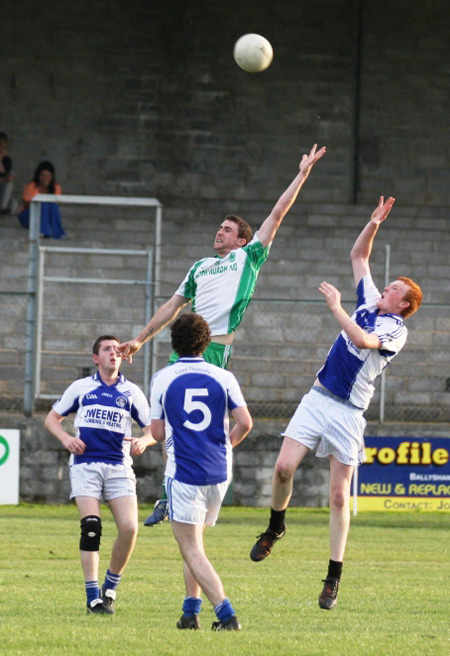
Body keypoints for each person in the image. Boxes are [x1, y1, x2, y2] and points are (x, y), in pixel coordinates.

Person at [119, 143, 327, 525]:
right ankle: (170, 492)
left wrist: (302, 174)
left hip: (214, 350)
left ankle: (193, 479)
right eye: (219, 227)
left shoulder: (248, 257)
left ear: (242, 240)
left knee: (199, 426)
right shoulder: (200, 266)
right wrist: (139, 339)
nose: (220, 231)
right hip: (183, 347)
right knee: (169, 427)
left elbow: (278, 214)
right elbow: (172, 306)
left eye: (227, 230)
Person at [249, 196, 423, 610]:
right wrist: (373, 222)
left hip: (348, 413)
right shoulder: (370, 300)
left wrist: (335, 307)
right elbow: (359, 254)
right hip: (317, 398)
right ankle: (276, 526)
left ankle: (332, 577)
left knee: (339, 497)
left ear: (402, 305)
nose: (387, 288)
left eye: (394, 289)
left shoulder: (394, 329)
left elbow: (363, 341)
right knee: (283, 467)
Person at [150, 313, 253, 631]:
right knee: (194, 544)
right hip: (219, 472)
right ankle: (189, 612)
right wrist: (225, 447)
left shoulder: (163, 378)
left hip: (184, 474)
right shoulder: (224, 376)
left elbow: (155, 432)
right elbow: (245, 423)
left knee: (190, 547)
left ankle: (226, 615)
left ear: (174, 343)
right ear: (206, 342)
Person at [44, 335, 156, 615]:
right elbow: (51, 419)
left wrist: (145, 440)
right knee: (91, 527)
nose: (113, 353)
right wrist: (66, 439)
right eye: (107, 349)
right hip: (86, 465)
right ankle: (93, 597)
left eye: (117, 350)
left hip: (119, 467)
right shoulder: (81, 388)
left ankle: (110, 586)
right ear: (96, 358)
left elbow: (154, 429)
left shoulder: (132, 392)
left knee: (130, 528)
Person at [18, 160, 66, 238]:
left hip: (47, 216)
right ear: (38, 176)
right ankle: (43, 231)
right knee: (44, 203)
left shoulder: (56, 187)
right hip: (28, 215)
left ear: (52, 176)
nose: (45, 178)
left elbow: (55, 204)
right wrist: (40, 204)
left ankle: (58, 233)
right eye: (42, 175)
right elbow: (25, 203)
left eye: (48, 176)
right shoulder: (31, 186)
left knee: (52, 205)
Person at [0, 132, 16, 214]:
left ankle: (3, 207)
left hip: (2, 190)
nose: (2, 148)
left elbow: (6, 176)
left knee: (13, 203)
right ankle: (2, 207)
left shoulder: (7, 160)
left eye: (3, 145)